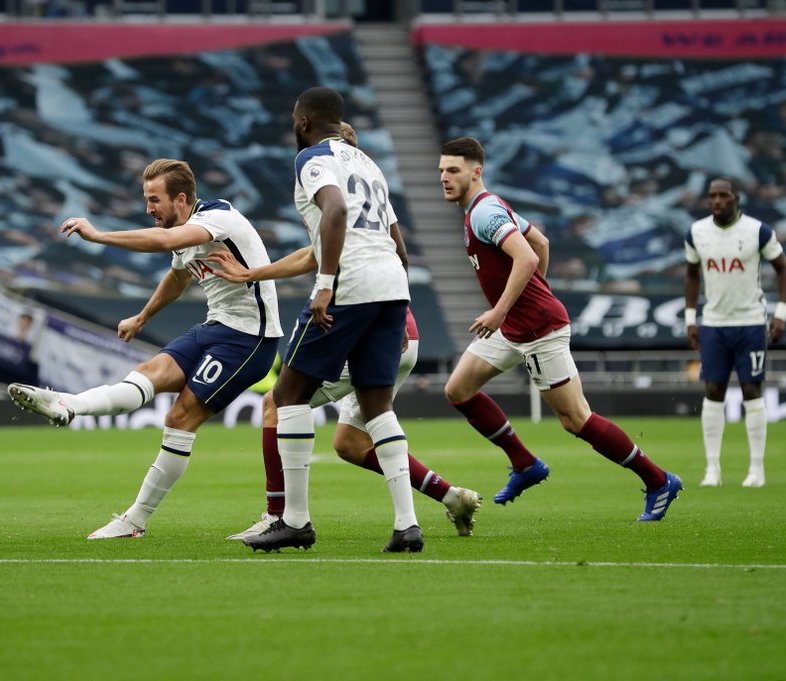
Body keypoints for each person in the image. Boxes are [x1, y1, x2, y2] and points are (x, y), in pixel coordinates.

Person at [210, 122, 481, 542]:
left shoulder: (321, 168)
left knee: (279, 401)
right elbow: (386, 247)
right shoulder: (371, 172)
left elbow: (330, 228)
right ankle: (433, 509)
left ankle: (282, 515)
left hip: (353, 302)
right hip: (395, 308)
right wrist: (254, 273)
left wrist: (322, 284)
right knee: (357, 436)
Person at [7, 158, 282, 539]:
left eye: (154, 200)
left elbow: (166, 243)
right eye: (146, 199)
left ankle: (134, 521)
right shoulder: (184, 233)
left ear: (181, 198)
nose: (148, 208)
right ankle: (68, 405)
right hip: (214, 327)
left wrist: (99, 236)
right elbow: (177, 276)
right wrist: (142, 317)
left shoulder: (218, 219)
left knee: (179, 418)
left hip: (249, 339)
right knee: (145, 375)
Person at [438, 136, 682, 521]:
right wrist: (530, 294)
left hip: (537, 329)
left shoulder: (484, 213)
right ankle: (525, 464)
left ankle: (658, 481)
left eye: (453, 170)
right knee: (459, 389)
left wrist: (505, 308)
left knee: (576, 420)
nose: (444, 178)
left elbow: (527, 254)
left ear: (475, 171)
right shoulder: (485, 207)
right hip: (516, 325)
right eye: (441, 171)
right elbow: (541, 241)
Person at [240, 87, 420, 554]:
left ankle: (295, 520)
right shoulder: (369, 163)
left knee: (287, 394)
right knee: (377, 405)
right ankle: (407, 525)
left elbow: (335, 210)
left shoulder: (312, 159)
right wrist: (398, 308)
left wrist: (325, 283)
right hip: (390, 286)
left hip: (349, 285)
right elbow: (399, 245)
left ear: (303, 122)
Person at [684, 177, 786, 488]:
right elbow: (691, 274)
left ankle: (756, 470)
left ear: (736, 198)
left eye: (723, 195)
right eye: (712, 196)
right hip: (714, 323)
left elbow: (782, 267)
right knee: (713, 391)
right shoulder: (697, 232)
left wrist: (781, 314)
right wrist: (691, 319)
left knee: (751, 390)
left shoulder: (758, 231)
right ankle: (712, 470)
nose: (716, 201)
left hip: (751, 322)